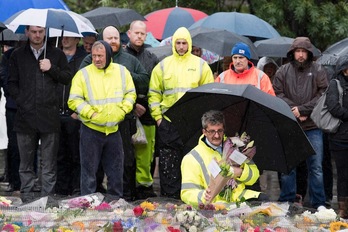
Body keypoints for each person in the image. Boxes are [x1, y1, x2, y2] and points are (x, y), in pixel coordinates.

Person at [80, 25, 148, 201]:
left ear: (120, 39)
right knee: (93, 166)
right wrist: (90, 113)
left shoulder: (128, 62)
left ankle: (121, 198)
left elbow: (142, 82)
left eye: (116, 38)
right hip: (93, 124)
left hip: (121, 121)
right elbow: (78, 92)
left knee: (122, 163)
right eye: (109, 38)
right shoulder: (89, 61)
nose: (113, 41)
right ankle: (92, 199)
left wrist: (124, 106)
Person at [148, 27, 214, 199]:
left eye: (184, 43)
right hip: (168, 123)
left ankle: (193, 200)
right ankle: (169, 202)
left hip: (194, 124)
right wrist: (158, 118)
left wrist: (205, 121)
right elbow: (154, 93)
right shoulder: (163, 66)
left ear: (190, 44)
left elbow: (209, 95)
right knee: (168, 167)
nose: (181, 46)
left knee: (193, 164)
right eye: (178, 43)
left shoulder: (201, 66)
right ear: (173, 44)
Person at [8, 26, 72, 200]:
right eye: (34, 31)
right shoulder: (17, 55)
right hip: (24, 116)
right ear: (27, 32)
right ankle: (27, 198)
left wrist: (51, 68)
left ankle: (47, 199)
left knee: (49, 163)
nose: (37, 35)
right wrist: (22, 101)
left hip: (49, 116)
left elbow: (67, 77)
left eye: (41, 31)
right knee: (26, 163)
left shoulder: (56, 54)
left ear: (45, 32)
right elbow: (10, 83)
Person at [68, 40, 136, 197]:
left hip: (113, 130)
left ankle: (115, 205)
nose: (97, 59)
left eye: (100, 56)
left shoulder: (121, 71)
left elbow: (131, 93)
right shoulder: (83, 74)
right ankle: (88, 205)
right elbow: (74, 100)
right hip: (91, 130)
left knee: (116, 173)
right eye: (94, 56)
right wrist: (90, 114)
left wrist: (123, 110)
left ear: (109, 55)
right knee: (89, 174)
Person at [272, 37, 328, 210]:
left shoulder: (318, 69)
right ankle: (286, 201)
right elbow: (277, 93)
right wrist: (294, 111)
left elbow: (324, 93)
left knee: (316, 168)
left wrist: (303, 110)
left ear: (309, 53)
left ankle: (318, 203)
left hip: (313, 126)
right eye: (298, 51)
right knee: (288, 167)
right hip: (290, 125)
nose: (301, 55)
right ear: (292, 52)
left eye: (304, 51)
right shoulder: (282, 71)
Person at [181, 110, 267, 207]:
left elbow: (254, 176)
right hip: (214, 205)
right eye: (212, 131)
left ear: (224, 129)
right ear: (204, 132)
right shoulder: (191, 158)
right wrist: (204, 195)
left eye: (220, 131)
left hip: (239, 200)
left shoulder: (236, 146)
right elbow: (186, 193)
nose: (217, 135)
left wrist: (240, 172)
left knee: (264, 200)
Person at [125, 20, 159, 199]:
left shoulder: (152, 58)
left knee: (146, 155)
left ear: (146, 36)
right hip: (125, 112)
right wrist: (132, 105)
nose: (139, 36)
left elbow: (154, 86)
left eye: (142, 33)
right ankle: (128, 189)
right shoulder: (121, 56)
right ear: (129, 33)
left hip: (147, 114)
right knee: (127, 155)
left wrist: (146, 107)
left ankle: (144, 189)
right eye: (136, 33)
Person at [55, 36, 87, 196]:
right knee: (59, 154)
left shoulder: (83, 59)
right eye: (63, 36)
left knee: (76, 154)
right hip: (55, 114)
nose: (65, 39)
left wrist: (78, 111)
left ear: (77, 39)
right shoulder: (54, 56)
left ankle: (76, 187)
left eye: (69, 37)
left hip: (74, 115)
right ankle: (61, 188)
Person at [325, 54, 348, 218]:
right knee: (342, 174)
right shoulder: (335, 84)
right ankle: (342, 208)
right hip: (340, 137)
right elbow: (333, 107)